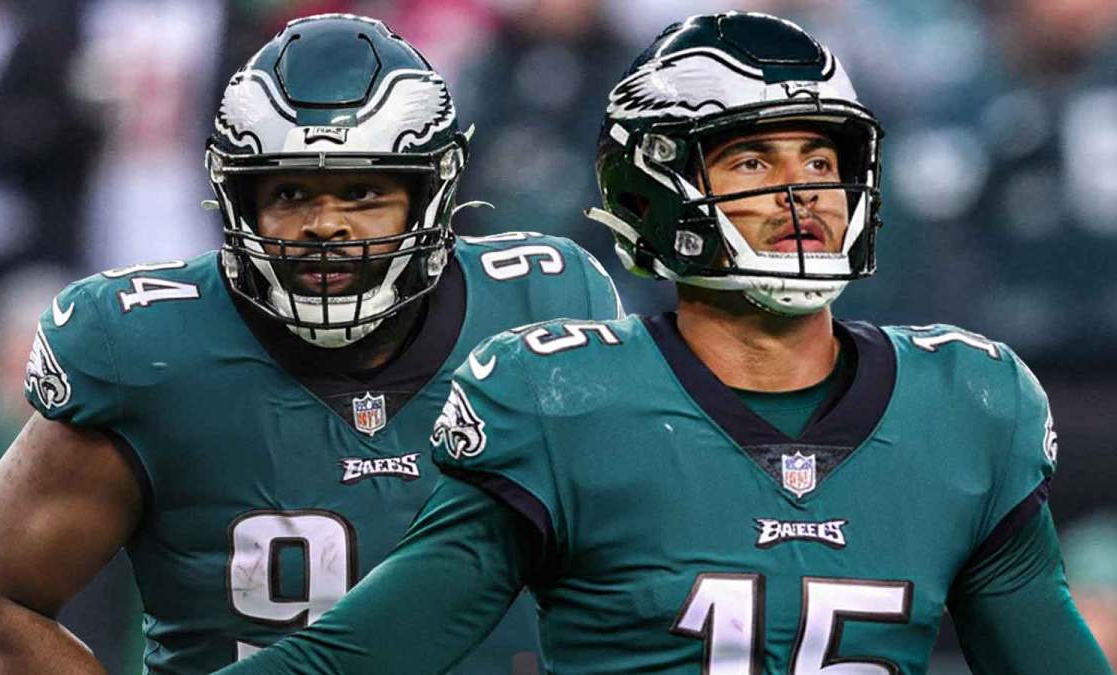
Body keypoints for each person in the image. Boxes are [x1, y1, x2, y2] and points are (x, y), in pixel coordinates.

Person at [214, 12, 1113, 675]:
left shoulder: (965, 405)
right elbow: (345, 662)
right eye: (753, 162)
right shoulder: (563, 402)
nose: (800, 193)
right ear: (656, 190)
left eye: (821, 159)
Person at [0, 14, 622, 674]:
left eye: (361, 191)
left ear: (432, 194)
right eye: (291, 190)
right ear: (236, 196)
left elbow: (653, 566)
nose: (325, 224)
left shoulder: (540, 310)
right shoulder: (144, 348)